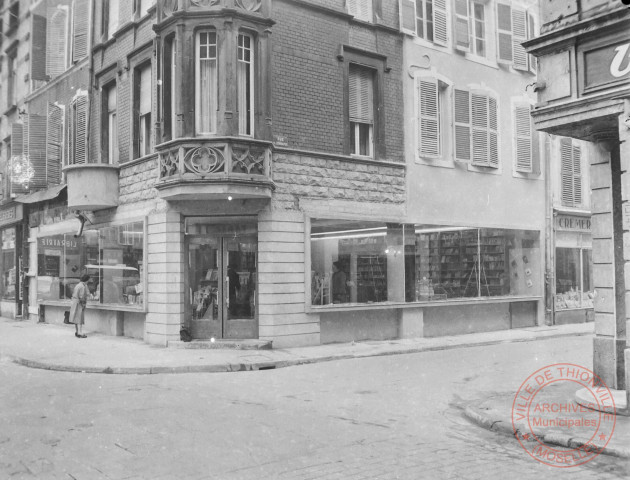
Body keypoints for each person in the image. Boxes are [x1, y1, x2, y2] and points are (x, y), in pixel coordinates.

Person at [69, 274, 90, 338]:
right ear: (86, 280)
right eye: (88, 280)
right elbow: (82, 296)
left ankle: (77, 332)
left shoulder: (78, 285)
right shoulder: (82, 287)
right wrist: (83, 304)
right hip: (79, 304)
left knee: (76, 318)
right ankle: (80, 333)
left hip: (74, 302)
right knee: (79, 319)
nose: (88, 281)